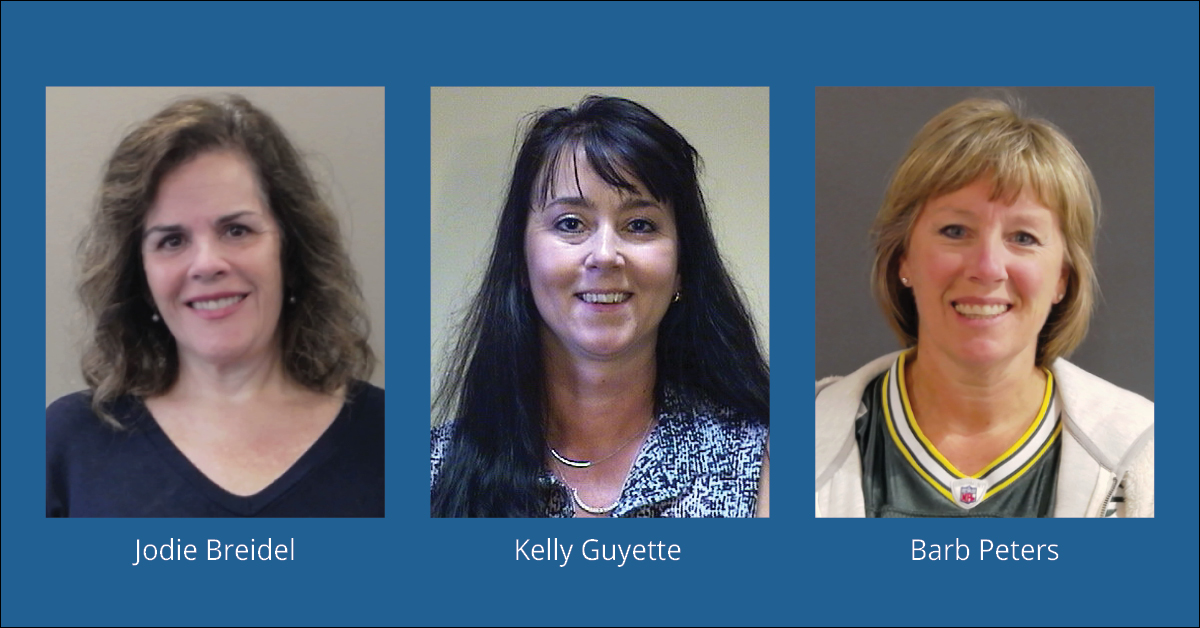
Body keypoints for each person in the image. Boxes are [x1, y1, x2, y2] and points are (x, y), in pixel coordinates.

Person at [431, 95, 770, 517]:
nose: (606, 254)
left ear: (682, 266)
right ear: (520, 260)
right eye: (570, 223)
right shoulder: (431, 473)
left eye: (639, 225)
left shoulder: (765, 462)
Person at [46, 95, 383, 517]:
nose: (207, 264)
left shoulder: (386, 437)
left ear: (290, 252)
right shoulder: (67, 444)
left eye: (237, 230)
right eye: (172, 240)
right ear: (142, 278)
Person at [815, 98, 1154, 518]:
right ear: (903, 258)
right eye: (955, 231)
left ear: (1062, 278)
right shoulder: (795, 439)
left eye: (1024, 237)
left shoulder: (1145, 451)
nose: (988, 267)